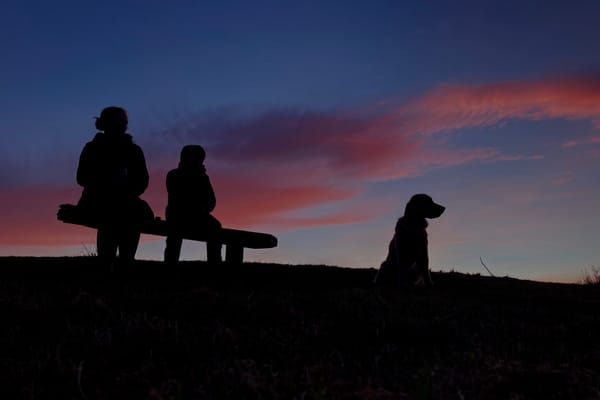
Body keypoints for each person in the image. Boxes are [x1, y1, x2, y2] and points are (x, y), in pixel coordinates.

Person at [76, 106, 150, 263]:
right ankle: (110, 268)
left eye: (125, 121)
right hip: (98, 201)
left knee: (130, 217)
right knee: (113, 219)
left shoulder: (134, 150)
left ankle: (124, 267)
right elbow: (81, 177)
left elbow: (142, 181)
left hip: (126, 202)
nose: (125, 124)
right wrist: (106, 181)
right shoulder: (93, 148)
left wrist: (126, 189)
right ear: (107, 123)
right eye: (121, 120)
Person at [164, 145, 222, 264]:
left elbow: (211, 200)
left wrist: (204, 209)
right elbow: (178, 196)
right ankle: (169, 268)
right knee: (174, 238)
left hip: (199, 216)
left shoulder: (203, 177)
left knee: (215, 227)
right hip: (177, 215)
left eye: (197, 158)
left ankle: (215, 266)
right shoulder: (174, 174)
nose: (194, 160)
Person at [374, 194, 445, 287]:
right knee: (388, 266)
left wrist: (428, 284)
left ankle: (426, 283)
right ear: (416, 208)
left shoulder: (422, 232)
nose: (434, 206)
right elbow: (401, 261)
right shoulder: (401, 232)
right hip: (393, 270)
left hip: (410, 272)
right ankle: (399, 285)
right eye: (428, 203)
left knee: (421, 261)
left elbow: (423, 260)